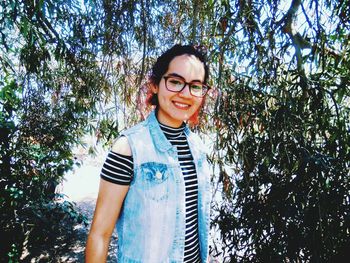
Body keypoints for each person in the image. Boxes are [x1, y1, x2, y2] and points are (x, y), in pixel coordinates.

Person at [85, 44, 212, 263]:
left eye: (195, 86)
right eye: (175, 81)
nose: (185, 93)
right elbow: (100, 234)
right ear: (155, 85)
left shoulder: (197, 146)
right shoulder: (129, 148)